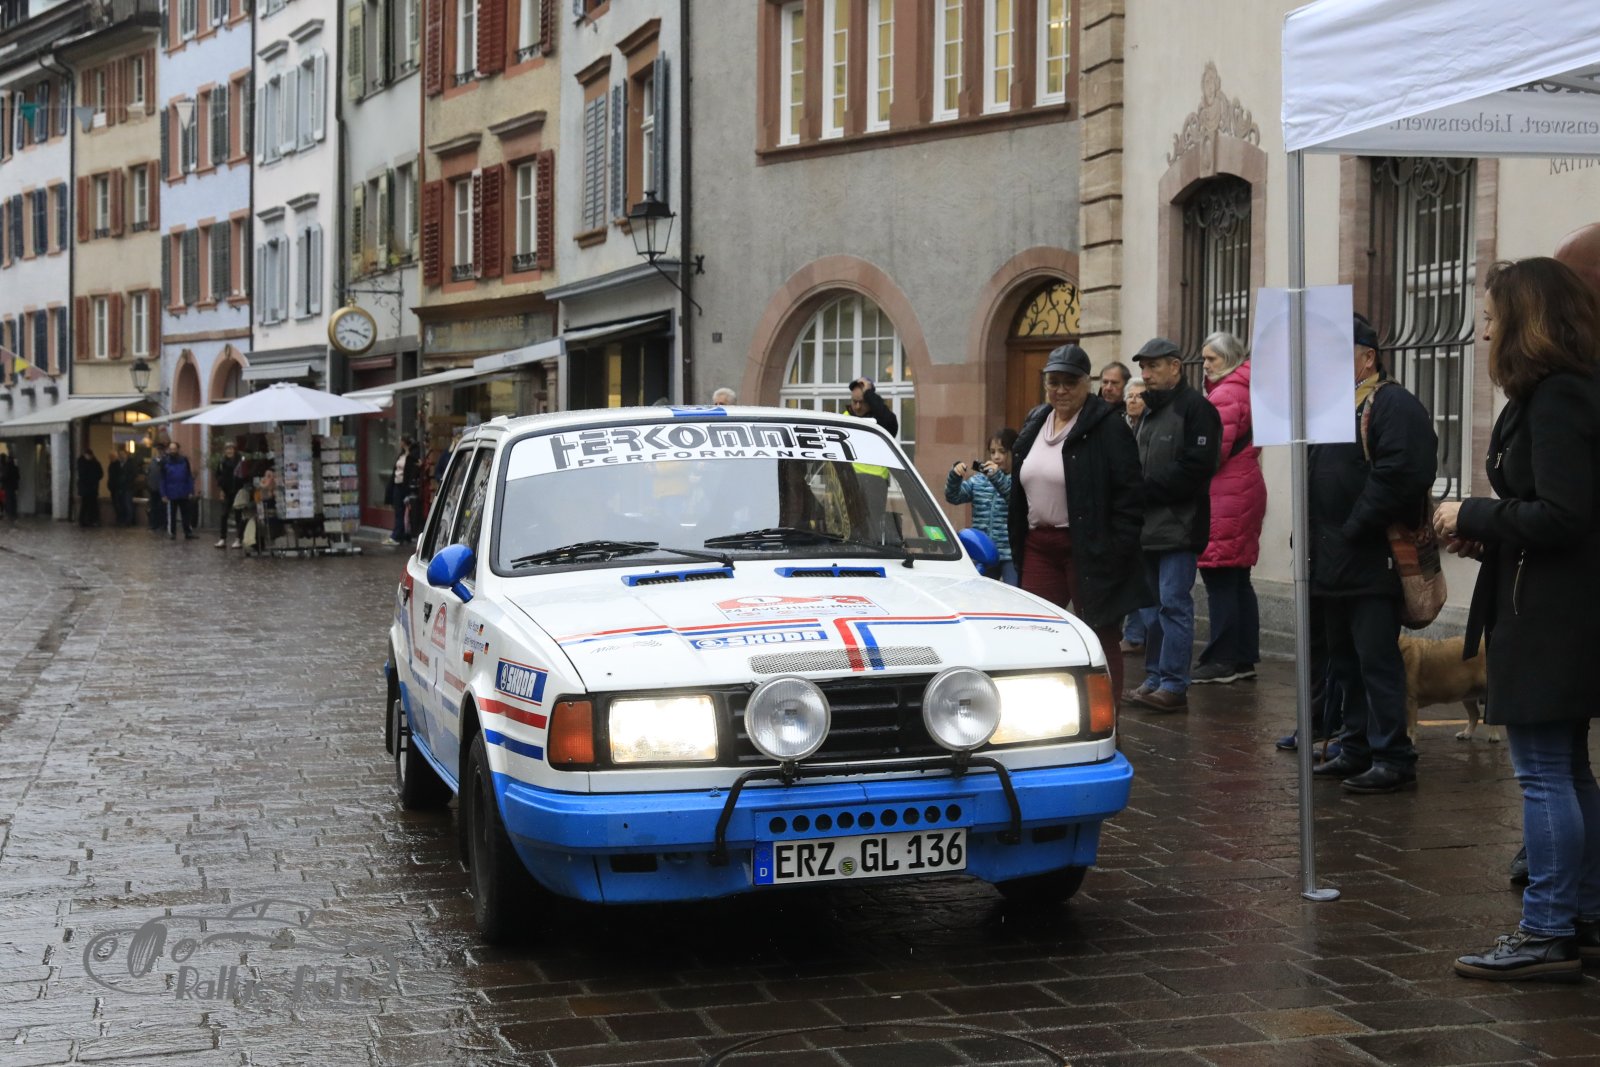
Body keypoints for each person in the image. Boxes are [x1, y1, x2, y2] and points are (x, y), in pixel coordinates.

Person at [1435, 258, 1600, 982]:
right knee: (1567, 769)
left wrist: (1472, 513)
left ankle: (1547, 928)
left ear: (1525, 322)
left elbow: (1564, 515)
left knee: (1543, 773)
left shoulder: (1560, 397)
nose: (1484, 331)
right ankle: (1583, 917)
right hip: (1555, 604)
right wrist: (1491, 532)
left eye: (1492, 318)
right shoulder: (1551, 393)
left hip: (1551, 615)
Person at [1308, 314, 1437, 794]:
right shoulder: (1331, 407)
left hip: (1369, 557)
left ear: (1367, 357)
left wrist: (1355, 526)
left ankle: (1393, 757)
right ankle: (1357, 746)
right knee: (1343, 660)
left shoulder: (1393, 404)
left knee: (1376, 660)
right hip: (1332, 560)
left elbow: (1404, 474)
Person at [1008, 345, 1149, 702]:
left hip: (1089, 546)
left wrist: (1116, 549)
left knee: (1099, 633)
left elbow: (1130, 496)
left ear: (1088, 383)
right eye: (1053, 382)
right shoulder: (1036, 421)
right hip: (1039, 545)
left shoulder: (1108, 427)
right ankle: (1040, 711)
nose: (1060, 390)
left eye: (1069, 382)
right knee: (1035, 632)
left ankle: (1106, 718)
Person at [1124, 338, 1222, 713]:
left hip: (1180, 528)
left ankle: (1174, 685)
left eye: (1153, 366)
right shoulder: (1149, 412)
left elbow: (1198, 467)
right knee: (1150, 609)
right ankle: (1154, 679)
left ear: (1176, 367)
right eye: (1143, 367)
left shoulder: (1196, 409)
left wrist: (1143, 489)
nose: (1146, 374)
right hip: (1146, 528)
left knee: (1173, 606)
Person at [1192, 332, 1266, 685]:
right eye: (1204, 358)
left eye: (1212, 358)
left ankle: (1222, 659)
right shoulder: (1246, 389)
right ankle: (1243, 657)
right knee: (1237, 579)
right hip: (1242, 487)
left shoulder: (1226, 394)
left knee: (1220, 576)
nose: (1205, 365)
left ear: (1231, 359)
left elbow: (1213, 452)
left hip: (1226, 493)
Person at [945, 428, 1019, 585]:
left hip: (1010, 554)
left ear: (1014, 452)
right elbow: (953, 497)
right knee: (980, 592)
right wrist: (955, 476)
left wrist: (996, 476)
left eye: (1002, 451)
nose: (996, 456)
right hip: (983, 551)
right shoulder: (978, 480)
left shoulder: (1019, 479)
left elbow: (1012, 497)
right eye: (992, 452)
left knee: (1013, 592)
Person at [1120, 380, 1154, 654]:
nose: (1133, 400)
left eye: (1139, 396)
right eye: (1129, 396)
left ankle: (1137, 636)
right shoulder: (1123, 426)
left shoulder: (1150, 426)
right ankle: (1133, 634)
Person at [158, 441, 197, 540]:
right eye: (171, 449)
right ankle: (172, 533)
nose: (172, 451)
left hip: (183, 491)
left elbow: (188, 476)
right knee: (172, 515)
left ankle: (188, 532)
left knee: (186, 514)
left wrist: (191, 491)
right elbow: (162, 479)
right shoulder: (165, 462)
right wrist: (163, 494)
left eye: (174, 449)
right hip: (171, 493)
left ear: (178, 449)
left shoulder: (184, 460)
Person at [386, 436, 420, 546]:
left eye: (401, 441)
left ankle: (398, 535)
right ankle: (398, 534)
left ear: (405, 442)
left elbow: (413, 470)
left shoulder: (412, 456)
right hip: (397, 484)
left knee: (404, 511)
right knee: (398, 510)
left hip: (404, 486)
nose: (399, 442)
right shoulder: (401, 455)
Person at [215, 442, 247, 549]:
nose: (229, 451)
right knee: (224, 515)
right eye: (227, 449)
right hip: (226, 491)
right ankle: (222, 538)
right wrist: (221, 488)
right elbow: (218, 475)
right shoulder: (222, 462)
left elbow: (244, 474)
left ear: (235, 450)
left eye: (231, 449)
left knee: (238, 515)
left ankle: (239, 539)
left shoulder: (240, 460)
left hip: (238, 491)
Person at [76, 447, 103, 528]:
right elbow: (82, 475)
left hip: (93, 487)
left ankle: (92, 520)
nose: (89, 457)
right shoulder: (82, 463)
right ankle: (83, 520)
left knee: (93, 505)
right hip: (86, 488)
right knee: (85, 504)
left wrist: (94, 479)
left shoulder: (95, 462)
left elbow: (100, 473)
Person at [145, 439, 167, 532]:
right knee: (154, 507)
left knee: (162, 507)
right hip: (153, 488)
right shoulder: (153, 461)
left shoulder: (166, 460)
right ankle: (154, 524)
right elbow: (149, 473)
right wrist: (149, 484)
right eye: (158, 450)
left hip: (163, 488)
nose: (159, 451)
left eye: (161, 450)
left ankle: (163, 524)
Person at [0, 453, 17, 522]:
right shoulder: (15, 467)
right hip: (13, 487)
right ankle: (13, 514)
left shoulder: (7, 467)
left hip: (7, 486)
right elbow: (18, 477)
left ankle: (9, 515)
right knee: (12, 500)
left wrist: (1, 478)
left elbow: (5, 476)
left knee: (7, 500)